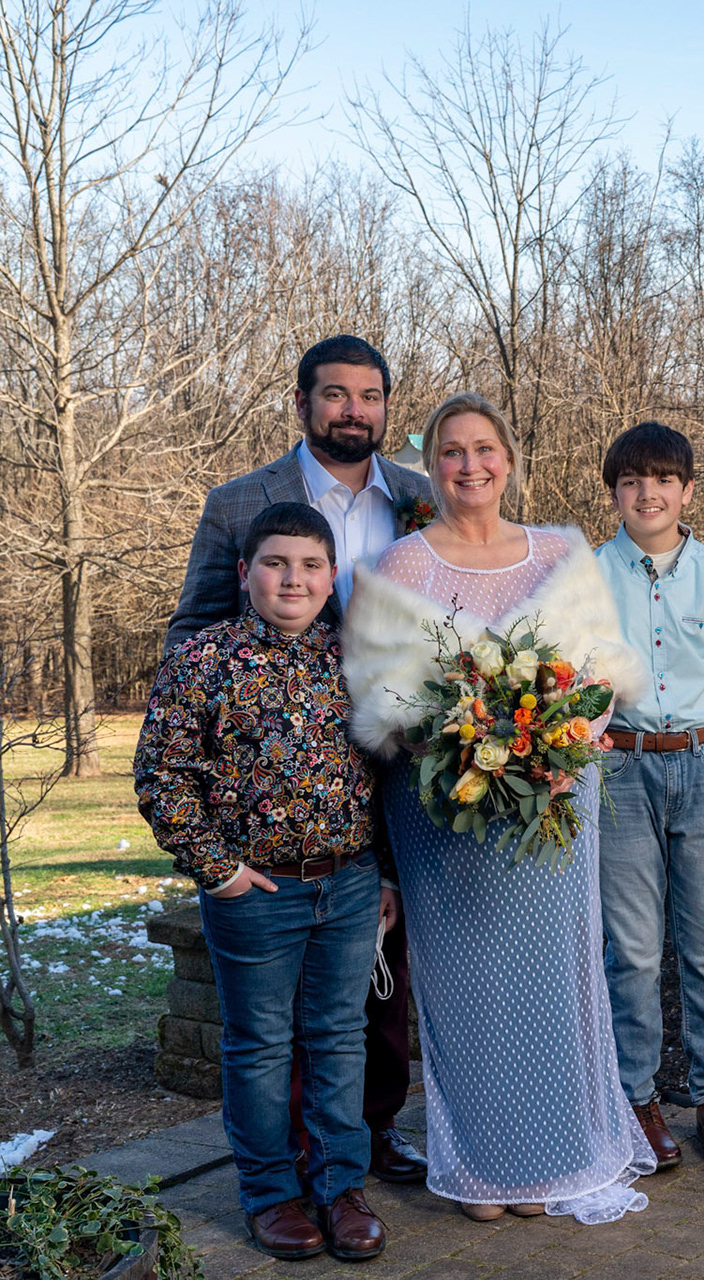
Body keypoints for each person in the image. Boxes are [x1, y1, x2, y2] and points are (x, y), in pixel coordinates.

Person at [341, 392, 655, 1223]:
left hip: (553, 797)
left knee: (552, 978)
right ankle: (483, 1169)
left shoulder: (560, 553)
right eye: (451, 451)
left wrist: (558, 740)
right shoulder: (402, 567)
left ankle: (551, 1159)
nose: (470, 465)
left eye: (484, 449)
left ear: (509, 460)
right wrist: (454, 740)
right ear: (432, 463)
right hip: (446, 811)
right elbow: (380, 700)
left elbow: (601, 674)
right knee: (465, 986)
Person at [164, 335, 430, 1187]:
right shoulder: (243, 502)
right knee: (273, 1024)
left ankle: (371, 1135)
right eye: (335, 394)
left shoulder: (422, 500)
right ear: (303, 402)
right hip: (274, 783)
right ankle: (286, 1166)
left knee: (377, 999)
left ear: (387, 405)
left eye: (370, 396)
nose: (354, 409)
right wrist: (238, 750)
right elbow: (191, 632)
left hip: (395, 772)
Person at [134, 504, 390, 1262]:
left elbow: (389, 773)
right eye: (278, 563)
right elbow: (162, 775)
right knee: (259, 1046)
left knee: (341, 1040)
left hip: (347, 886)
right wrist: (218, 871)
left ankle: (341, 1187)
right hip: (257, 894)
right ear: (245, 573)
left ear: (330, 576)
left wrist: (390, 879)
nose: (295, 579)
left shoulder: (355, 659)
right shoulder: (202, 661)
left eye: (312, 566)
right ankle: (272, 1194)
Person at [594, 422, 704, 1171]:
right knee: (630, 948)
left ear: (686, 490)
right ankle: (637, 1100)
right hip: (622, 772)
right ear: (616, 493)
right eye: (632, 482)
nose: (647, 493)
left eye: (662, 480)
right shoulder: (590, 578)